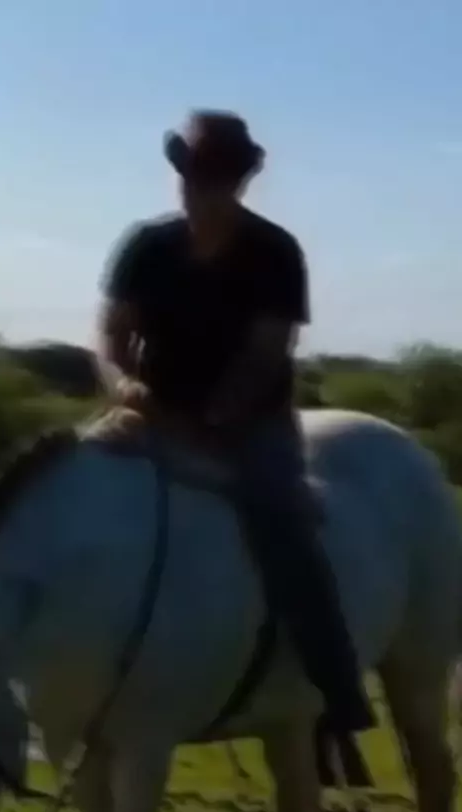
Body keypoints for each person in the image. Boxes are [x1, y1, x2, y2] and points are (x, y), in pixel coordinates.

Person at [99, 109, 373, 734]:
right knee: (66, 479)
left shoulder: (274, 253)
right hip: (151, 412)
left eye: (216, 178)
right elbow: (112, 336)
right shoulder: (147, 246)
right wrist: (124, 385)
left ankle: (336, 683)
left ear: (241, 182)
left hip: (250, 423)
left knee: (282, 523)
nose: (200, 189)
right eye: (193, 175)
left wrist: (214, 420)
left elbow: (267, 352)